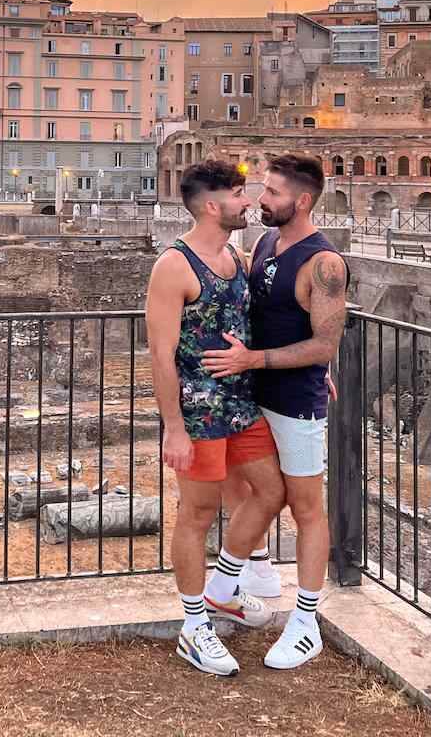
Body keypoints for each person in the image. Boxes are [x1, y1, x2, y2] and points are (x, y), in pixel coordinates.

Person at [204, 153, 349, 671]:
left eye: (272, 193)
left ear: (302, 201)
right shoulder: (267, 241)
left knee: (307, 508)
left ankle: (306, 622)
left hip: (295, 403)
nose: (262, 200)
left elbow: (323, 345)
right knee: (254, 489)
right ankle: (237, 580)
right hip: (255, 391)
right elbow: (269, 311)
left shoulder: (325, 264)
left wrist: (258, 359)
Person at [147, 158, 287, 676]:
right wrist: (174, 428)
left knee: (272, 493)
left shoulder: (236, 256)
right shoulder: (174, 266)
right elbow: (161, 355)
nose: (247, 201)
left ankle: (223, 590)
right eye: (237, 194)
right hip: (200, 413)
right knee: (197, 514)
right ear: (212, 205)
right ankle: (193, 625)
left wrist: (315, 370)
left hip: (243, 404)